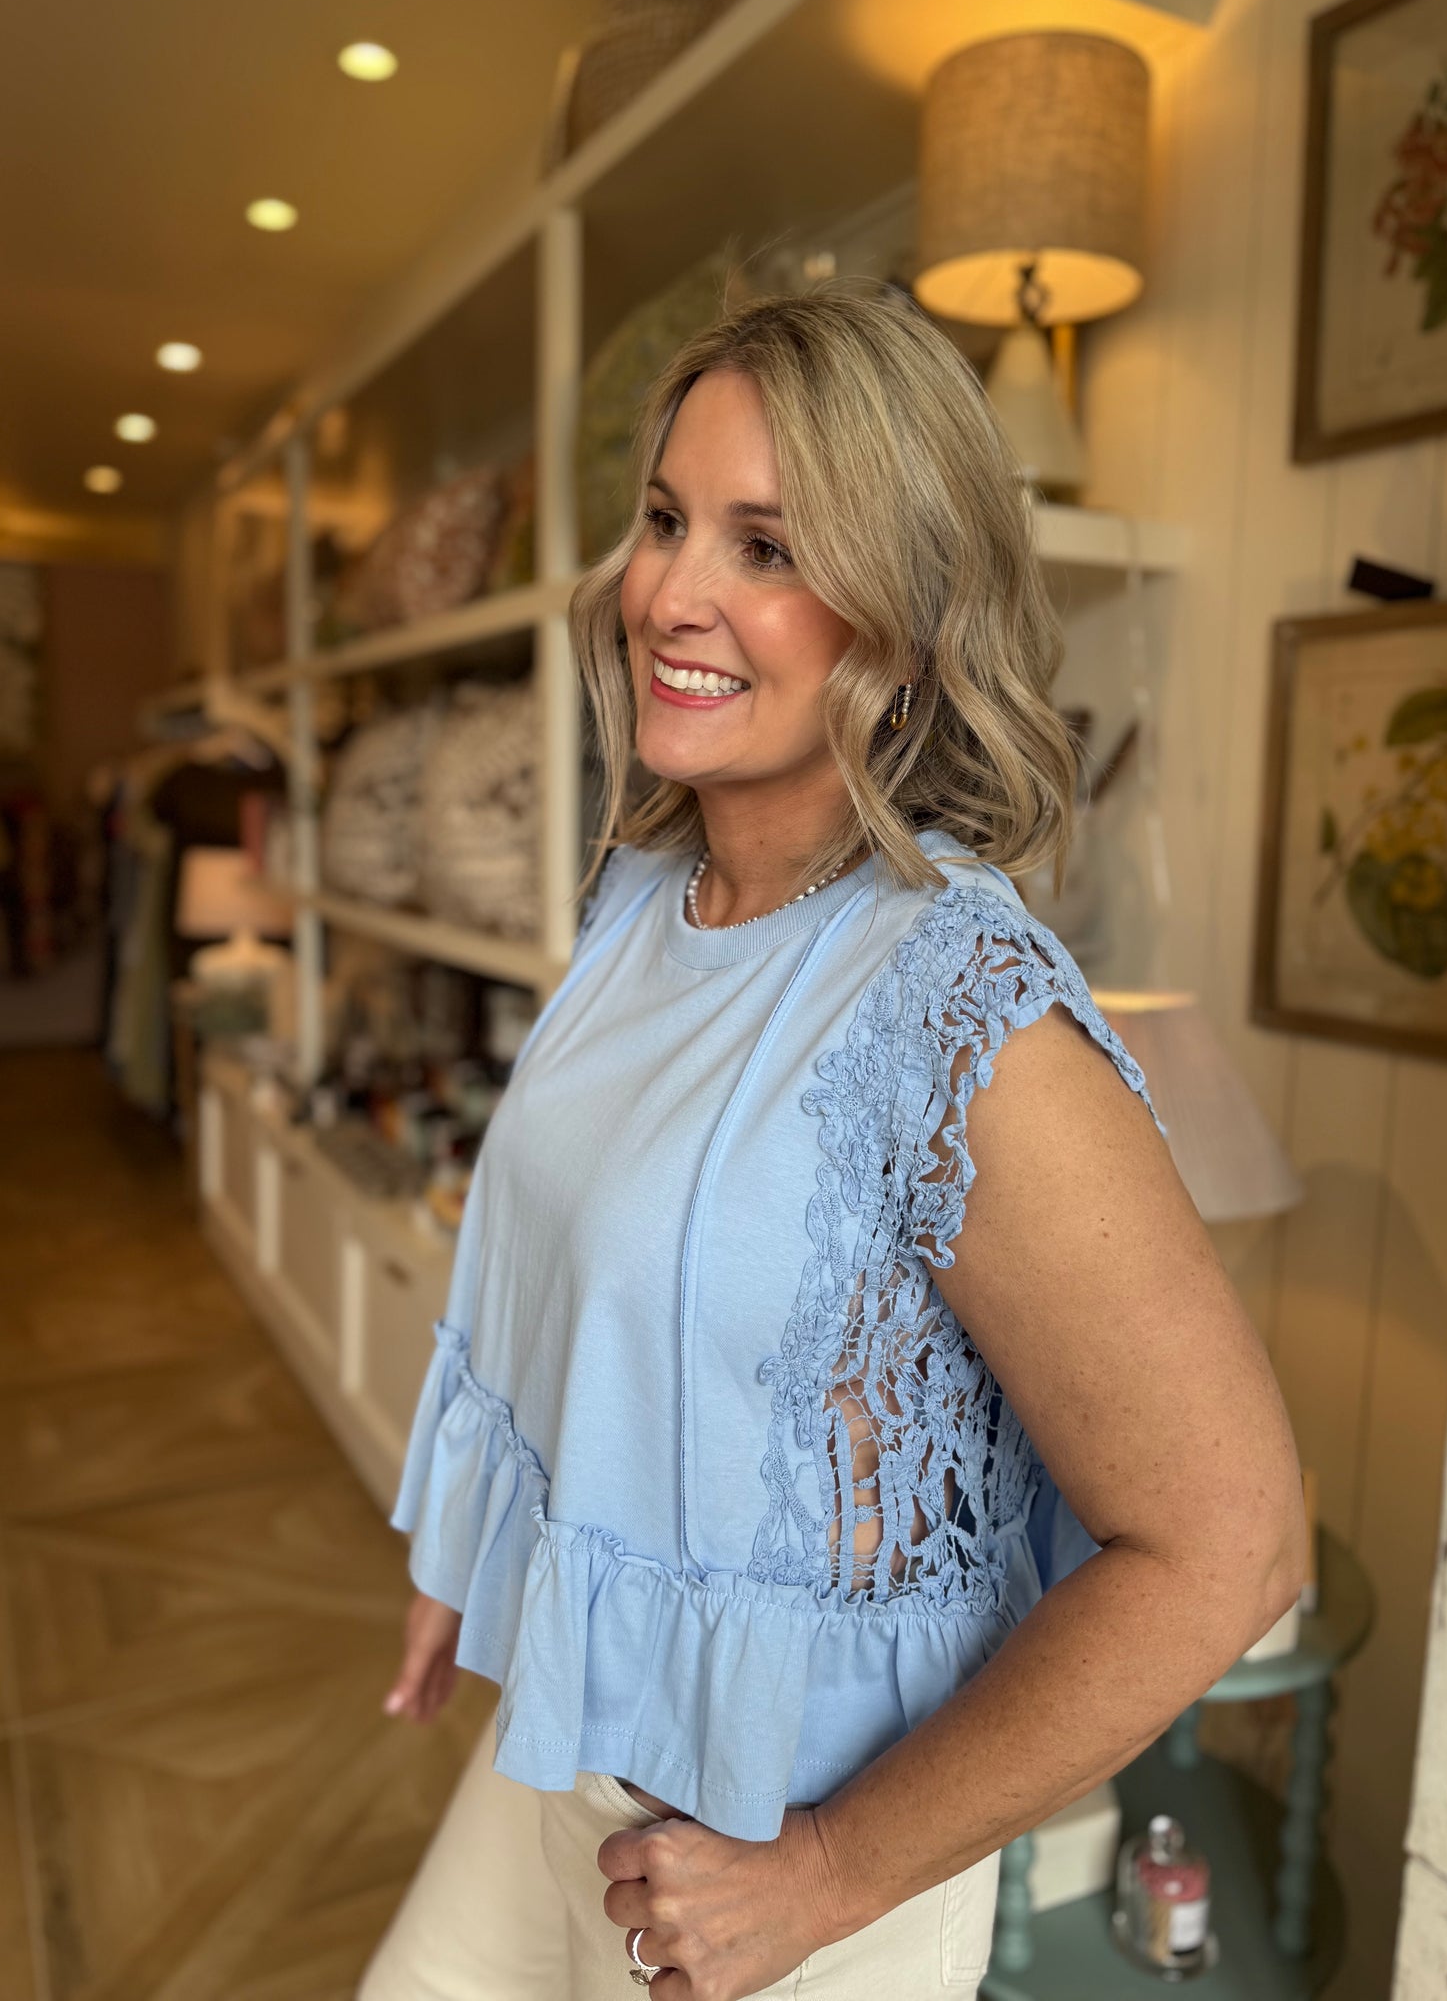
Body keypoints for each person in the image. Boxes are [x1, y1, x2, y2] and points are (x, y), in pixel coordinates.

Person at [356, 278, 1305, 2001]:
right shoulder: (644, 894)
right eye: (667, 520)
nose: (674, 594)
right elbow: (553, 1269)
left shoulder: (961, 1018)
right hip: (565, 1748)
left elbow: (1232, 1544)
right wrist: (473, 1557)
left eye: (769, 547)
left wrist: (824, 1874)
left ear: (913, 620)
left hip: (777, 1879)